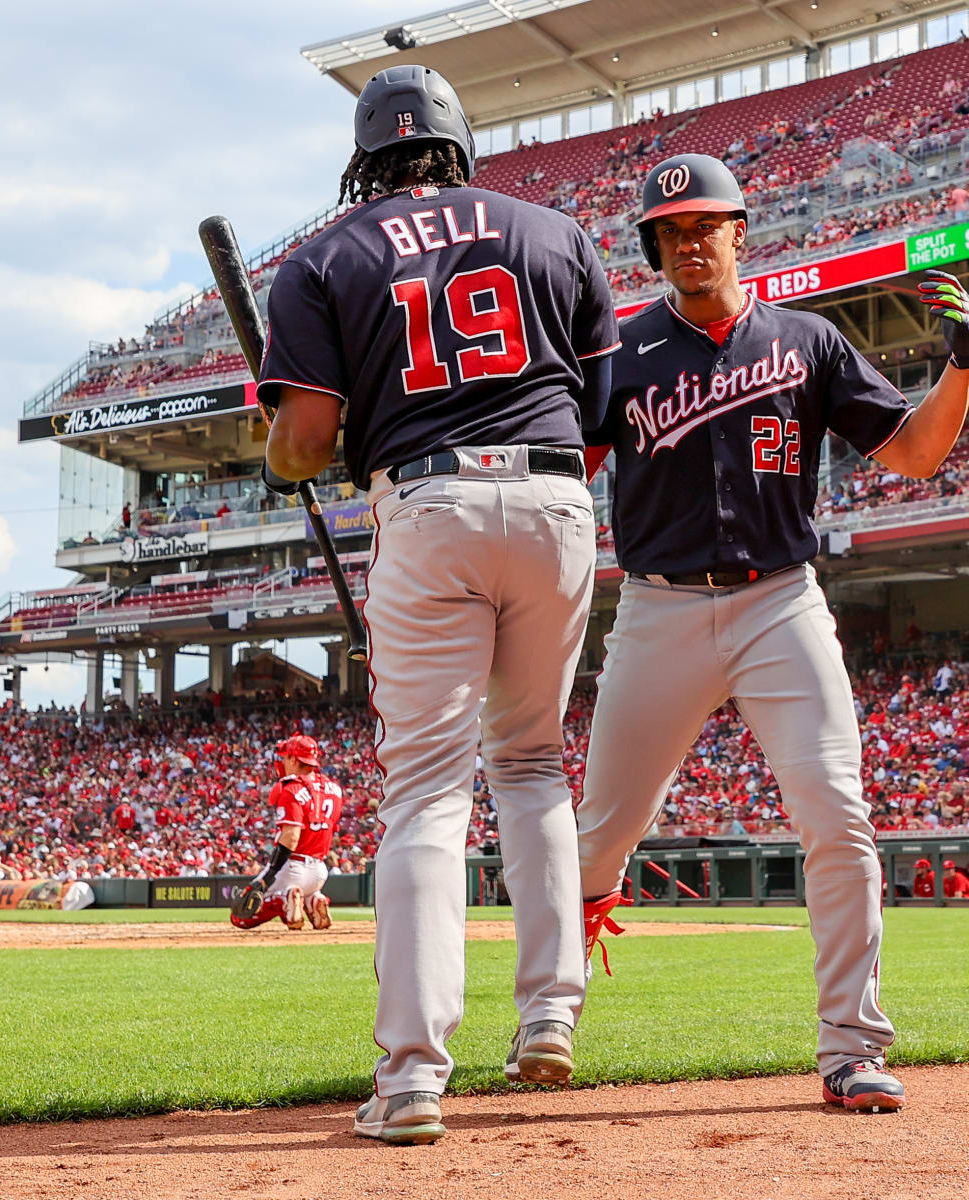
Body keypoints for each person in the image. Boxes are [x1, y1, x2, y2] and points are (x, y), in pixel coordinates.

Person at [257, 65, 618, 1145]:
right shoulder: (552, 230)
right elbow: (600, 408)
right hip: (556, 500)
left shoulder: (324, 256)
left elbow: (307, 443)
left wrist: (278, 451)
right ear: (459, 147)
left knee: (424, 790)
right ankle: (550, 1016)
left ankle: (413, 1075)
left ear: (365, 157)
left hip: (428, 498)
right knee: (532, 765)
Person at [575, 152, 969, 1115]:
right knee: (596, 842)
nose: (688, 243)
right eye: (669, 233)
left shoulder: (808, 342)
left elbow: (918, 455)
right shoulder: (623, 356)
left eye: (704, 226)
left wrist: (961, 366)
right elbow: (562, 473)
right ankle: (546, 1016)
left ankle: (851, 1048)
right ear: (654, 248)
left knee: (838, 818)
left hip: (780, 601)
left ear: (739, 231)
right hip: (658, 605)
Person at [229, 735, 343, 933]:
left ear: (293, 759)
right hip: (319, 871)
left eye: (285, 757)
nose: (282, 762)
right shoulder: (334, 789)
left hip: (292, 867)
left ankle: (284, 899)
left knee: (240, 916)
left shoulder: (291, 788)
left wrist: (269, 874)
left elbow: (291, 836)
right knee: (305, 891)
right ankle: (313, 899)